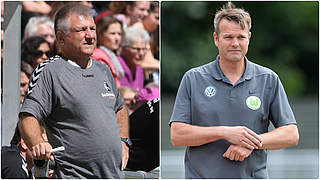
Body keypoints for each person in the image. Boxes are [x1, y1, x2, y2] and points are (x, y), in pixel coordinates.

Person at [169, 2, 299, 179]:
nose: (235, 44)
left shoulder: (268, 79)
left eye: (241, 37)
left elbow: (291, 134)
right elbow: (177, 135)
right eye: (228, 37)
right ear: (216, 38)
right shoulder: (193, 78)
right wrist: (225, 132)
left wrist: (251, 143)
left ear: (249, 38)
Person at [18, 4, 129, 179]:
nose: (90, 36)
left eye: (92, 29)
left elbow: (120, 108)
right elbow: (27, 117)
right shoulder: (49, 71)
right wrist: (38, 143)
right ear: (61, 38)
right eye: (81, 30)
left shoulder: (103, 69)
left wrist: (124, 141)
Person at [92, 16, 125, 87]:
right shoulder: (98, 57)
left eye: (119, 34)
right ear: (100, 35)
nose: (117, 38)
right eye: (112, 33)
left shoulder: (111, 55)